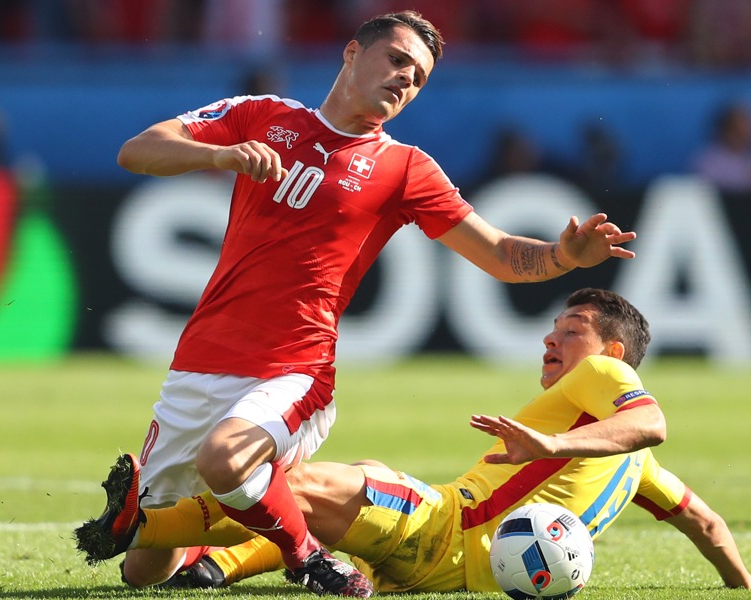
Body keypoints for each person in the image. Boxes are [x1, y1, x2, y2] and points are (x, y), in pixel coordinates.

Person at [83, 10, 637, 598]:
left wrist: (563, 256)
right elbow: (138, 151)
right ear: (351, 53)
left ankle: (308, 559)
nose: (405, 79)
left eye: (418, 77)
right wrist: (222, 155)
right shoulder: (264, 116)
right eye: (397, 60)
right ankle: (216, 534)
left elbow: (500, 252)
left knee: (225, 460)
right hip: (198, 361)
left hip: (295, 368)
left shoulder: (404, 169)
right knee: (144, 571)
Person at [76, 288, 751, 593]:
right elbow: (702, 519)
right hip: (426, 569)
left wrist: (549, 446)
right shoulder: (637, 469)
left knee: (286, 481)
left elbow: (652, 420)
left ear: (611, 349)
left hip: (441, 529)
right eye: (553, 328)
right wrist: (743, 581)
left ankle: (148, 520)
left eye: (570, 329)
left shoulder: (603, 380)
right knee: (356, 480)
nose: (551, 337)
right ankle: (207, 562)